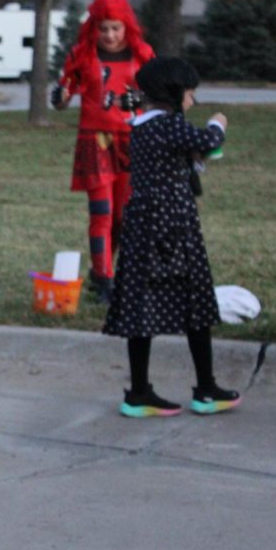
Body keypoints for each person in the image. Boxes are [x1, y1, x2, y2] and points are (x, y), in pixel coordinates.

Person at [102, 56, 241, 417]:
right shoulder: (168, 125)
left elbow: (181, 158)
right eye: (190, 93)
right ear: (174, 93)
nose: (193, 100)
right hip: (175, 229)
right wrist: (218, 123)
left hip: (143, 229)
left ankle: (139, 392)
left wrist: (195, 159)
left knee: (141, 307)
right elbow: (209, 139)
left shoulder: (143, 125)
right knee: (197, 306)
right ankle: (207, 389)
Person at [53, 0, 155, 303]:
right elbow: (63, 92)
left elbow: (156, 95)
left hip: (131, 141)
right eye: (104, 28)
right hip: (95, 141)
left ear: (127, 27)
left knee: (125, 216)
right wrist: (60, 96)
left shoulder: (143, 54)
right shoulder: (82, 55)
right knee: (102, 212)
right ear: (94, 28)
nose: (109, 35)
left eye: (116, 28)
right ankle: (106, 281)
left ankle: (105, 273)